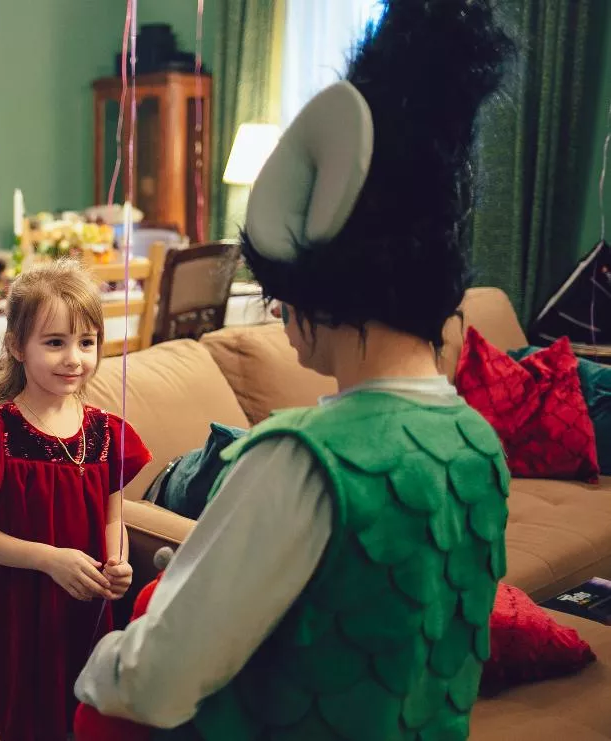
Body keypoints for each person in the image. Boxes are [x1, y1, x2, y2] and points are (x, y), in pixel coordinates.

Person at [74, 1, 513, 739]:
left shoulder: (299, 461)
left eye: (281, 291)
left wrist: (97, 665)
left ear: (322, 286)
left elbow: (156, 680)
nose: (277, 309)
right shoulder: (478, 445)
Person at [0, 259, 152, 740]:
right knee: (17, 712)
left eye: (86, 342)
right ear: (17, 346)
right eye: (55, 342)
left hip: (81, 599)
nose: (74, 358)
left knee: (76, 714)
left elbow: (113, 518)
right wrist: (48, 559)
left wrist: (118, 559)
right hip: (16, 603)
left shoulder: (106, 433)